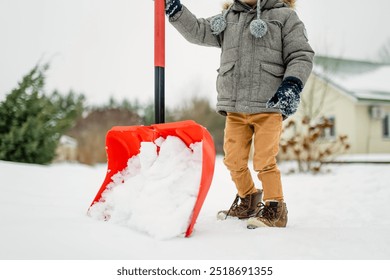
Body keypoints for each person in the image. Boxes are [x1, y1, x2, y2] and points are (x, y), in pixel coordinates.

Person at [165, 0, 314, 228]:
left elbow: (301, 54)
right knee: (233, 159)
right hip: (235, 107)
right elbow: (197, 30)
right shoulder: (227, 19)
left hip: (268, 104)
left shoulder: (284, 17)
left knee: (264, 160)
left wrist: (292, 84)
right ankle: (249, 199)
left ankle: (276, 208)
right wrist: (176, 11)